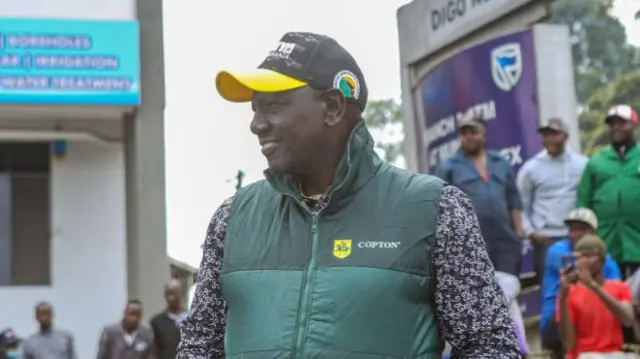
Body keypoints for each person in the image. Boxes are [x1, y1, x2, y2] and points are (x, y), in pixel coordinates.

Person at [177, 32, 520, 358]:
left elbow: (488, 344)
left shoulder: (436, 210)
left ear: (332, 107)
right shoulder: (232, 217)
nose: (257, 124)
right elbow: (199, 345)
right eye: (255, 108)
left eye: (273, 105)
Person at [434, 112, 524, 276]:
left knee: (508, 290)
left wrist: (518, 232)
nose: (468, 137)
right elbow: (439, 207)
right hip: (470, 244)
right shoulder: (448, 166)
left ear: (484, 134)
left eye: (473, 132)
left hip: (505, 241)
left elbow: (513, 199)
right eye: (464, 132)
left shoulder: (500, 162)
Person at [541, 208, 622, 358]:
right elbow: (581, 277)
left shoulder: (608, 261)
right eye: (573, 229)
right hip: (555, 322)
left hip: (592, 323)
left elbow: (616, 291)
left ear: (593, 232)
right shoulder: (557, 252)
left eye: (582, 229)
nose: (576, 234)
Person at [517, 117, 587, 279]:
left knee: (580, 286)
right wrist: (531, 231)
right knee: (550, 288)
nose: (550, 139)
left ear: (566, 136)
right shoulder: (531, 168)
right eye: (546, 135)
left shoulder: (582, 164)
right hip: (545, 239)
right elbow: (521, 205)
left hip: (575, 237)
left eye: (555, 134)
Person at [577, 104, 640, 278]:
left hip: (637, 236)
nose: (616, 127)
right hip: (606, 238)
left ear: (634, 125)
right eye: (612, 124)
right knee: (610, 290)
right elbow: (583, 200)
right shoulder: (597, 161)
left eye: (621, 122)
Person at [557, 234, 635, 358]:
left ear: (601, 259)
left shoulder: (620, 287)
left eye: (587, 256)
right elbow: (568, 345)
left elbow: (628, 319)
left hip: (615, 354)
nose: (582, 261)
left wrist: (594, 287)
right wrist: (563, 297)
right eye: (578, 257)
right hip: (585, 355)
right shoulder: (570, 293)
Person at [150, 279, 187, 359]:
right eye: (168, 293)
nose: (171, 297)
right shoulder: (157, 322)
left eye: (174, 293)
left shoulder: (191, 320)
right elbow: (154, 351)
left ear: (182, 293)